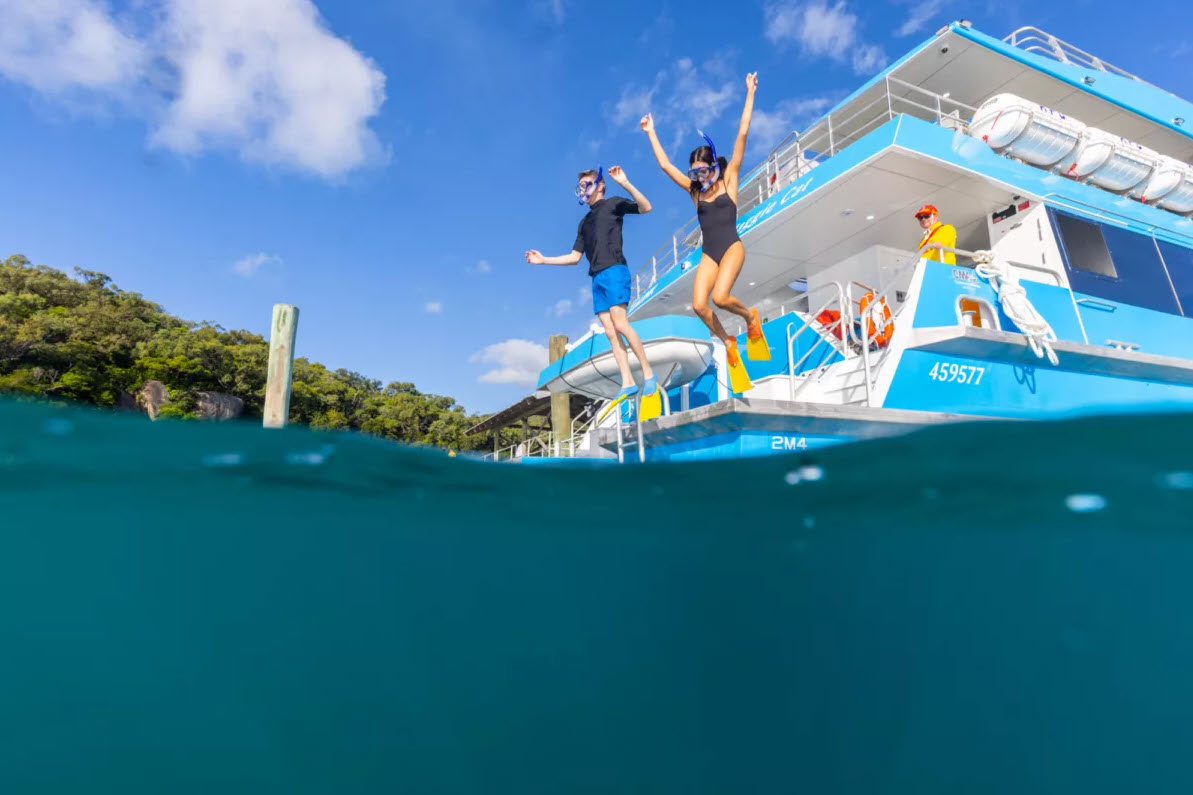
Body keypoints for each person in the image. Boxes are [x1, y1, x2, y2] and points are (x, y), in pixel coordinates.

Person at [639, 72, 767, 394]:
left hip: (732, 246)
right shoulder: (695, 192)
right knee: (699, 305)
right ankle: (728, 341)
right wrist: (650, 132)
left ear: (714, 167)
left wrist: (750, 92)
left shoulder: (729, 179)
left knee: (721, 298)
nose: (698, 176)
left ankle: (751, 317)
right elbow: (667, 167)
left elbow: (742, 132)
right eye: (694, 172)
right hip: (709, 252)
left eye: (703, 171)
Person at [525, 165, 660, 418]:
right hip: (596, 277)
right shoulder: (584, 222)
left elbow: (646, 207)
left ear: (600, 185)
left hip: (615, 270)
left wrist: (626, 182)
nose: (583, 190)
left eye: (587, 184)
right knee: (610, 331)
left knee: (620, 324)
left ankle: (648, 373)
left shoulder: (614, 204)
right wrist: (544, 260)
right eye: (580, 186)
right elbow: (575, 257)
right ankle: (628, 381)